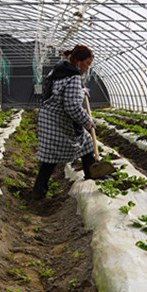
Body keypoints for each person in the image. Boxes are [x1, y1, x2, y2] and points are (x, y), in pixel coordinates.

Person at [31, 44, 98, 200]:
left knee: (86, 143)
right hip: (57, 120)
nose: (88, 67)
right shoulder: (74, 77)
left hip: (50, 118)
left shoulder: (59, 70)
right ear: (79, 61)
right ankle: (39, 193)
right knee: (51, 157)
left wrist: (80, 90)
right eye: (87, 63)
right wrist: (87, 121)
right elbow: (72, 106)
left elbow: (59, 91)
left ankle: (92, 174)